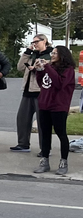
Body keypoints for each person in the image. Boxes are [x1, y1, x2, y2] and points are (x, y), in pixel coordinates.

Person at [32, 46, 74, 175]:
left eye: (55, 53)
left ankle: (63, 162)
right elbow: (42, 83)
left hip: (58, 106)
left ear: (62, 55)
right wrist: (39, 70)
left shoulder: (68, 70)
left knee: (61, 133)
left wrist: (48, 68)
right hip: (44, 104)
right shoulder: (50, 67)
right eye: (52, 53)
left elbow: (59, 84)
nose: (52, 55)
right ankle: (45, 161)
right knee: (45, 133)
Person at [11, 34, 51, 152]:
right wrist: (27, 52)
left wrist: (37, 69)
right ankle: (23, 143)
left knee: (42, 121)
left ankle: (44, 148)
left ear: (44, 41)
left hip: (41, 91)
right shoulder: (32, 54)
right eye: (33, 42)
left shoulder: (50, 54)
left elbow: (51, 70)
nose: (34, 44)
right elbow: (20, 68)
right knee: (22, 118)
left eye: (37, 41)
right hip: (27, 91)